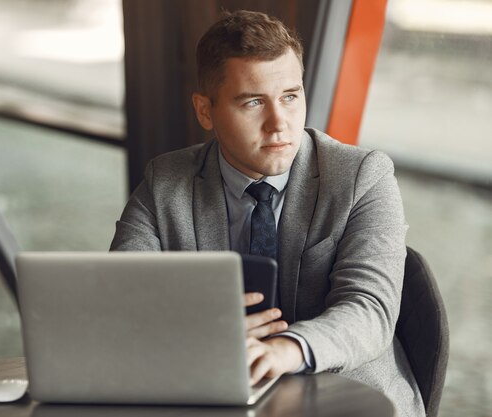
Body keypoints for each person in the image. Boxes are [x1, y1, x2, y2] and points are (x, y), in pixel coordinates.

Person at [110, 9, 424, 417]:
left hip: (348, 397)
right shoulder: (165, 181)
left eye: (290, 97)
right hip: (213, 394)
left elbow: (369, 310)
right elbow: (120, 297)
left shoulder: (363, 176)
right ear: (205, 111)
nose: (280, 124)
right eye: (254, 102)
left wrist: (285, 349)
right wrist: (200, 330)